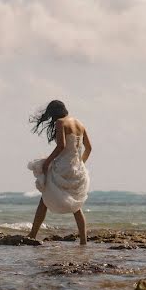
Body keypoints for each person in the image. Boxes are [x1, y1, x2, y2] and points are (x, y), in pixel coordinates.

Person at [26, 100, 92, 246]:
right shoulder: (80, 124)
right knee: (76, 205)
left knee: (44, 198)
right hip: (76, 167)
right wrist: (80, 164)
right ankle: (83, 241)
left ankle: (33, 234)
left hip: (62, 167)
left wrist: (48, 162)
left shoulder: (61, 123)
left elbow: (61, 146)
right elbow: (89, 148)